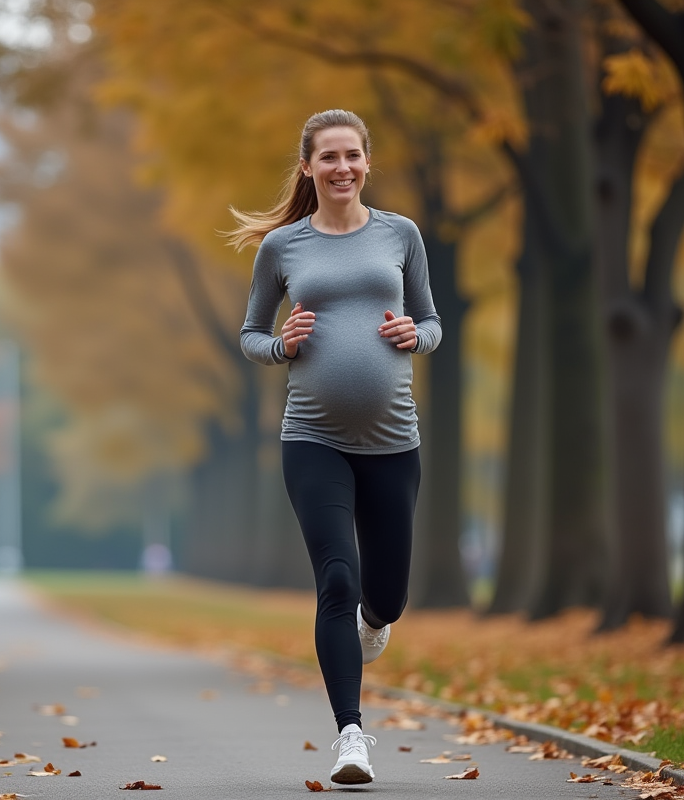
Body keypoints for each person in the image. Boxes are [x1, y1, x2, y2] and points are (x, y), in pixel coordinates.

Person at [229, 109, 441, 786]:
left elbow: (431, 319)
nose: (342, 167)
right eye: (329, 157)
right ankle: (351, 735)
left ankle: (375, 623)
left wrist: (419, 335)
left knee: (386, 597)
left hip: (393, 441)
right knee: (336, 581)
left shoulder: (401, 235)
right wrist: (282, 347)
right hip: (312, 439)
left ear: (367, 163)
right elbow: (251, 335)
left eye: (352, 155)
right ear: (308, 167)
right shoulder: (284, 247)